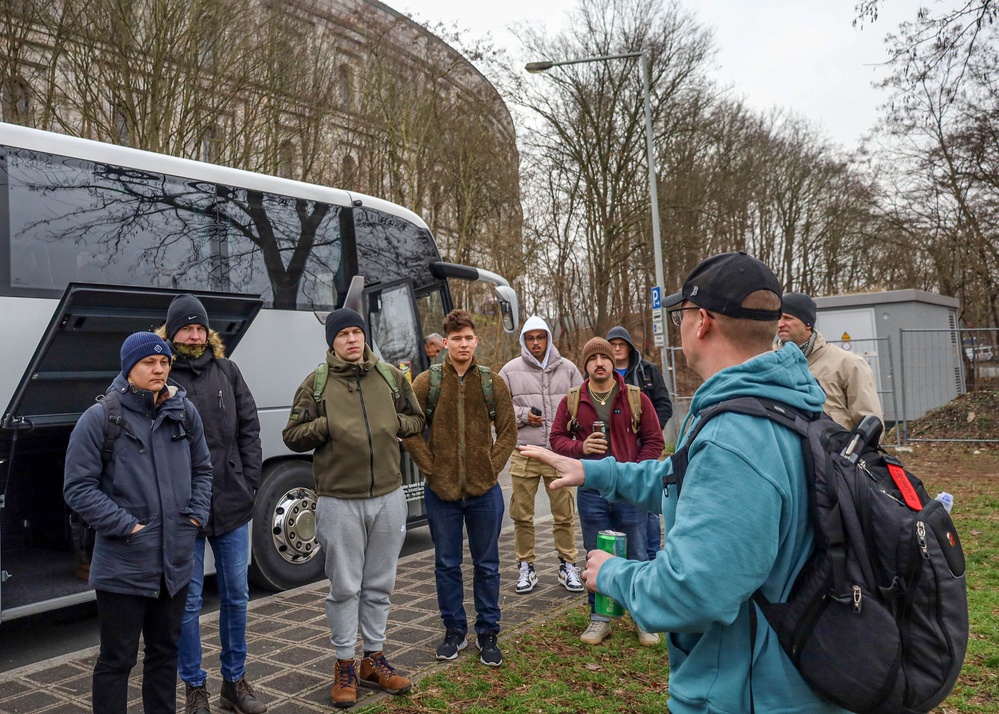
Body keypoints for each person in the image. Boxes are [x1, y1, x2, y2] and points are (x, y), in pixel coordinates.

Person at [522, 251, 850, 713]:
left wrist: (612, 574)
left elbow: (693, 592)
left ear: (702, 323)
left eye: (682, 315)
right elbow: (684, 477)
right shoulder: (780, 399)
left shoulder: (736, 436)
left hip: (751, 692)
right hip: (796, 668)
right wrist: (594, 470)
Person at [282, 308, 425, 709]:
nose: (352, 339)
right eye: (343, 334)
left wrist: (393, 424)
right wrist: (324, 427)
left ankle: (373, 660)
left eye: (357, 332)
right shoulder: (317, 383)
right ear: (333, 341)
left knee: (380, 583)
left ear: (365, 336)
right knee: (345, 587)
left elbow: (417, 419)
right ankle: (344, 664)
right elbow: (292, 435)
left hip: (388, 496)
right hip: (339, 500)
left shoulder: (389, 376)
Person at [64, 332, 212, 714]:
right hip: (124, 565)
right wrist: (128, 527)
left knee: (165, 655)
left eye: (164, 362)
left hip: (174, 564)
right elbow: (78, 488)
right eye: (149, 363)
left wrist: (194, 517)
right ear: (129, 368)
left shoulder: (184, 411)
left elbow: (203, 469)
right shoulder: (100, 418)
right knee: (117, 661)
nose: (159, 369)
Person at [154, 295, 266, 714]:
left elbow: (249, 428)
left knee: (237, 595)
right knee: (189, 603)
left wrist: (249, 481)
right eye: (186, 328)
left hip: (234, 506)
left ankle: (235, 682)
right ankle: (194, 687)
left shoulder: (227, 371)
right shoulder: (161, 377)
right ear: (172, 332)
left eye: (200, 328)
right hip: (186, 512)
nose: (195, 335)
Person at [402, 309, 517, 667]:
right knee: (446, 565)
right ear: (445, 342)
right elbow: (410, 429)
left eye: (468, 338)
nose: (463, 344)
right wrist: (432, 469)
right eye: (456, 338)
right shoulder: (427, 382)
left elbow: (509, 432)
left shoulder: (491, 381)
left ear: (476, 340)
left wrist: (489, 467)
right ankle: (454, 632)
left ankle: (488, 633)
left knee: (487, 565)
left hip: (485, 493)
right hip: (442, 494)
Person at [548, 337, 664, 647]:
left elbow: (654, 441)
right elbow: (556, 439)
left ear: (613, 362)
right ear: (585, 365)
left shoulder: (636, 397)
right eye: (592, 359)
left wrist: (635, 474)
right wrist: (580, 447)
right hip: (591, 491)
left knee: (638, 552)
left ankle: (643, 618)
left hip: (631, 493)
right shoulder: (573, 400)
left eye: (605, 357)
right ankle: (600, 619)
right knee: (595, 553)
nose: (599, 363)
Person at [498, 316, 583, 595]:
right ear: (524, 340)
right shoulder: (510, 371)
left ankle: (567, 564)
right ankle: (526, 567)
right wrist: (523, 416)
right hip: (524, 453)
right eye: (530, 338)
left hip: (560, 453)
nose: (536, 343)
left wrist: (572, 432)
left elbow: (582, 405)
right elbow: (497, 410)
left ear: (549, 337)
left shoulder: (568, 369)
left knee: (565, 514)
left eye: (540, 337)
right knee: (522, 516)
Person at [606, 325, 673, 561]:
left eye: (620, 345)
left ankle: (652, 554)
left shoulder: (647, 371)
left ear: (629, 347)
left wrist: (652, 429)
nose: (616, 349)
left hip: (646, 444)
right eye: (612, 345)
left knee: (649, 503)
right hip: (618, 447)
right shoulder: (600, 373)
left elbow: (664, 404)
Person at [776, 291, 884, 430]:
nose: (780, 324)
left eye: (787, 318)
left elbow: (870, 423)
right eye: (778, 318)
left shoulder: (848, 364)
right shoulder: (769, 361)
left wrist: (856, 450)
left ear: (808, 323)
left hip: (834, 449)